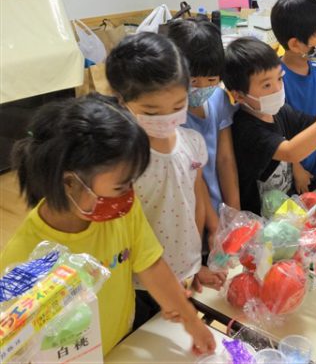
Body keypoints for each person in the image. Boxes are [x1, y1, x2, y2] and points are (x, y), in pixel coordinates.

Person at [0, 94, 216, 356]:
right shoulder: (23, 259)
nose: (130, 193)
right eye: (120, 186)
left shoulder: (121, 212)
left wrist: (191, 320)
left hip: (122, 346)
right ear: (70, 183)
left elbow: (151, 264)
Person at [105, 33, 225, 328]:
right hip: (138, 282)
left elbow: (195, 199)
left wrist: (194, 265)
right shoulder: (121, 160)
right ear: (123, 101)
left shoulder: (192, 142)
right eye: (151, 112)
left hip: (184, 272)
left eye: (178, 106)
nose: (167, 118)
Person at [223, 37, 316, 214]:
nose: (277, 89)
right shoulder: (245, 129)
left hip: (283, 212)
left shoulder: (279, 111)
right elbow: (290, 152)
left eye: (280, 78)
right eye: (267, 85)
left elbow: (315, 122)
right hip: (259, 221)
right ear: (239, 95)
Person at [167, 18, 240, 212]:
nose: (202, 87)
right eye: (193, 80)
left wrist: (234, 213)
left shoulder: (219, 99)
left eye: (211, 79)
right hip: (186, 213)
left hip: (219, 208)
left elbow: (225, 160)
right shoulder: (167, 116)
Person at [271, 0, 316, 192]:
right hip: (289, 175)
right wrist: (296, 169)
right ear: (295, 44)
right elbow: (279, 133)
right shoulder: (276, 80)